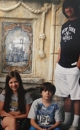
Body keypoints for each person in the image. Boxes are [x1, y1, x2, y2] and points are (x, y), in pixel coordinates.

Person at [54, 0, 80, 130]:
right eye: (66, 7)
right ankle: (67, 121)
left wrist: (78, 65)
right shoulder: (64, 26)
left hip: (74, 66)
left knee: (76, 96)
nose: (68, 9)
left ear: (75, 8)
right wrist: (58, 59)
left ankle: (75, 124)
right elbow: (61, 44)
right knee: (66, 95)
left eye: (71, 7)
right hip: (62, 65)